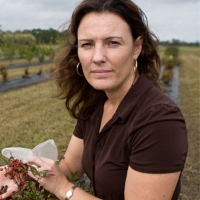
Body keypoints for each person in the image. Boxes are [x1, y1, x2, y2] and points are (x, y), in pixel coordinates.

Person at [0, 0, 188, 199]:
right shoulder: (96, 104)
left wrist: (63, 188)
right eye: (87, 44)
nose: (97, 57)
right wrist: (19, 174)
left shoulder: (159, 120)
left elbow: (62, 182)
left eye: (113, 42)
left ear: (136, 47)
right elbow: (71, 165)